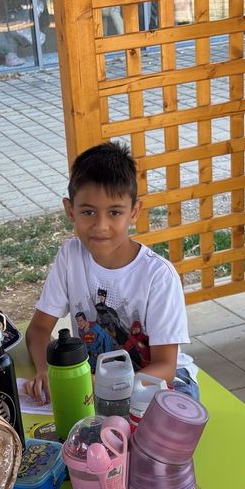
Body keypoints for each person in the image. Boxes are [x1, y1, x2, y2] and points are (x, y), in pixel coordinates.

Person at [25, 140, 198, 404]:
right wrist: (48, 371)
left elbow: (166, 367)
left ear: (134, 212)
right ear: (70, 210)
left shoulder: (158, 276)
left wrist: (102, 385)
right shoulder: (71, 256)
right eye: (88, 212)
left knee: (153, 438)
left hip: (159, 382)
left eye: (114, 212)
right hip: (95, 386)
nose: (101, 226)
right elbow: (38, 329)